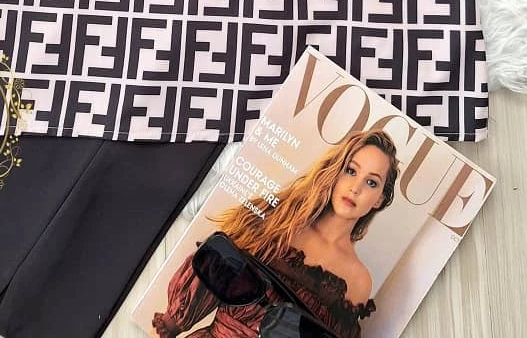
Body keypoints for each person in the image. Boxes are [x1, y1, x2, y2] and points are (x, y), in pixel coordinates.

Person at [152, 129, 400, 338]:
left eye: (371, 182)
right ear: (335, 171)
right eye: (351, 171)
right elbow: (204, 281)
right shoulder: (278, 220)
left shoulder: (358, 281)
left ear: (380, 199)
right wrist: (172, 323)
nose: (356, 188)